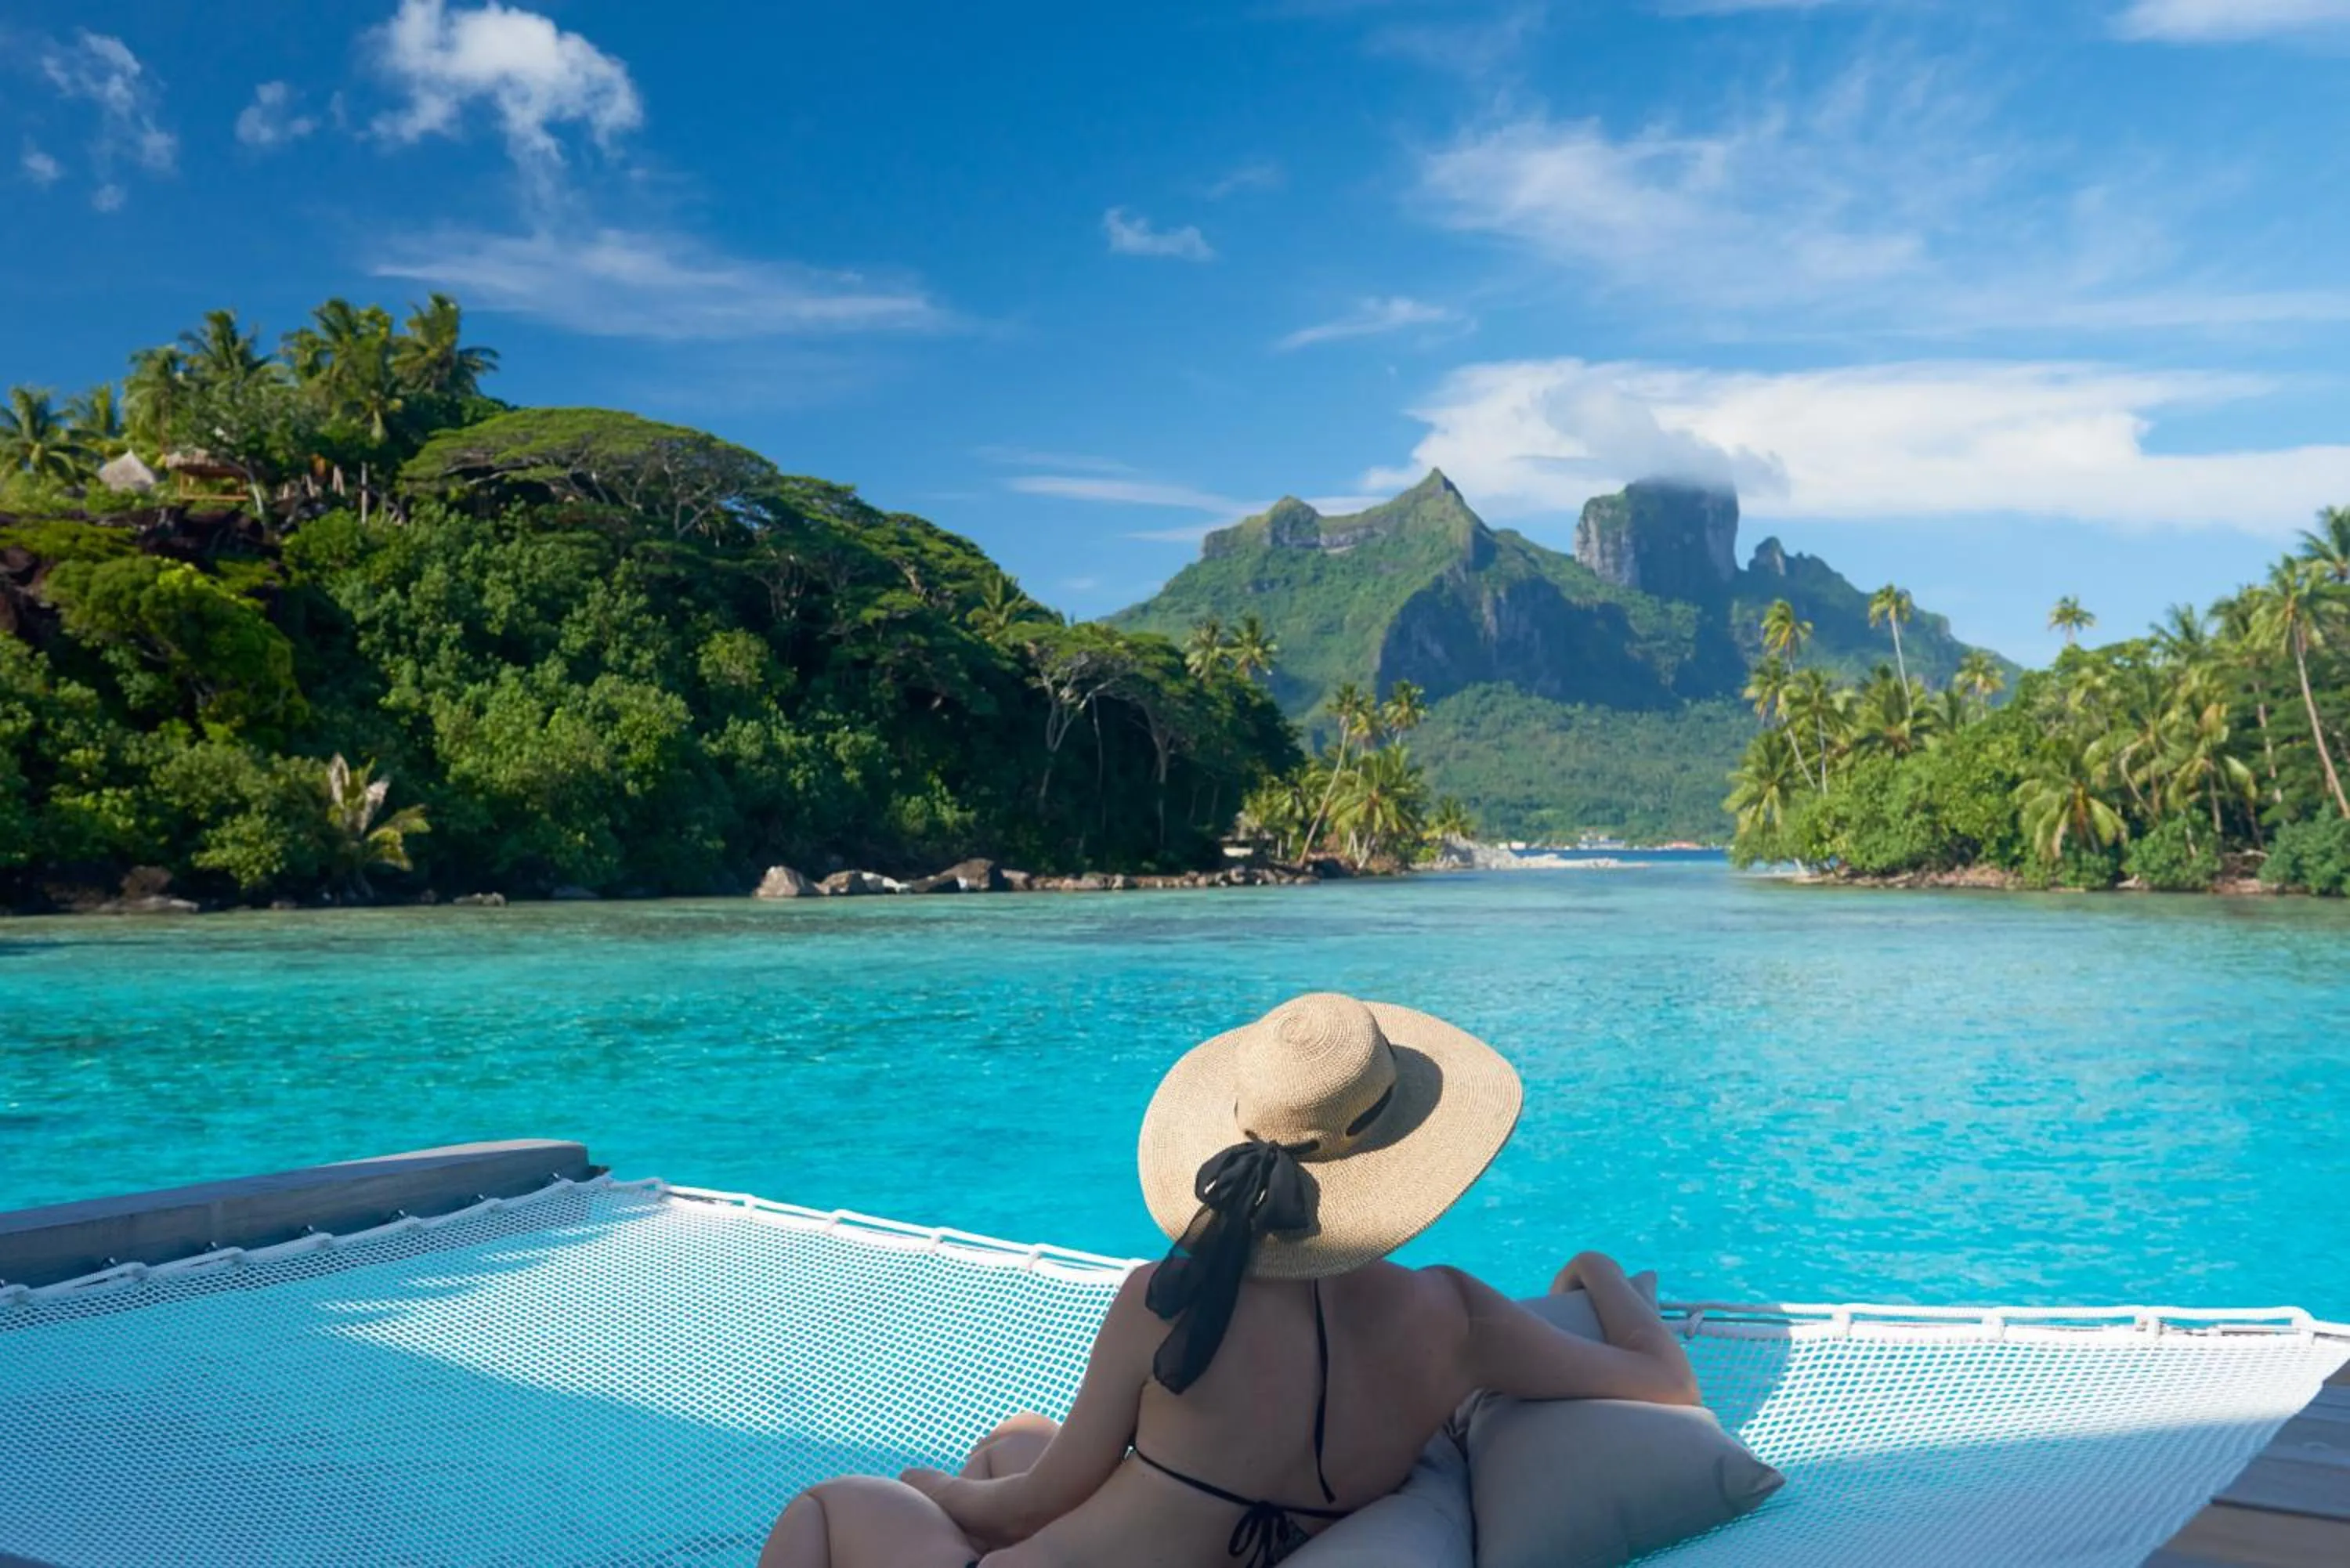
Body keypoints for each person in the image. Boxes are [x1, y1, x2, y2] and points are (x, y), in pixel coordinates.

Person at [757, 992, 1699, 1568]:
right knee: (1015, 1437)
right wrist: (1598, 1270)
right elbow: (1667, 1382)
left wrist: (926, 1489)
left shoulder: (1166, 1297)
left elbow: (1030, 1508)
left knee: (833, 1503)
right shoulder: (1455, 1318)